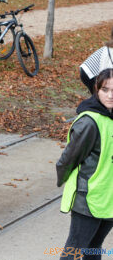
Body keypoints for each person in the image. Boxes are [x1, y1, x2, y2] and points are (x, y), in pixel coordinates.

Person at [56, 68, 113, 260]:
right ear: (96, 89)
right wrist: (62, 180)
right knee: (73, 252)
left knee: (94, 248)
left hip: (109, 198)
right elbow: (67, 160)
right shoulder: (89, 122)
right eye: (105, 90)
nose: (110, 95)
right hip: (88, 199)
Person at [79, 27, 113, 94]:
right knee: (101, 97)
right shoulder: (109, 51)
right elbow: (105, 72)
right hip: (89, 73)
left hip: (91, 72)